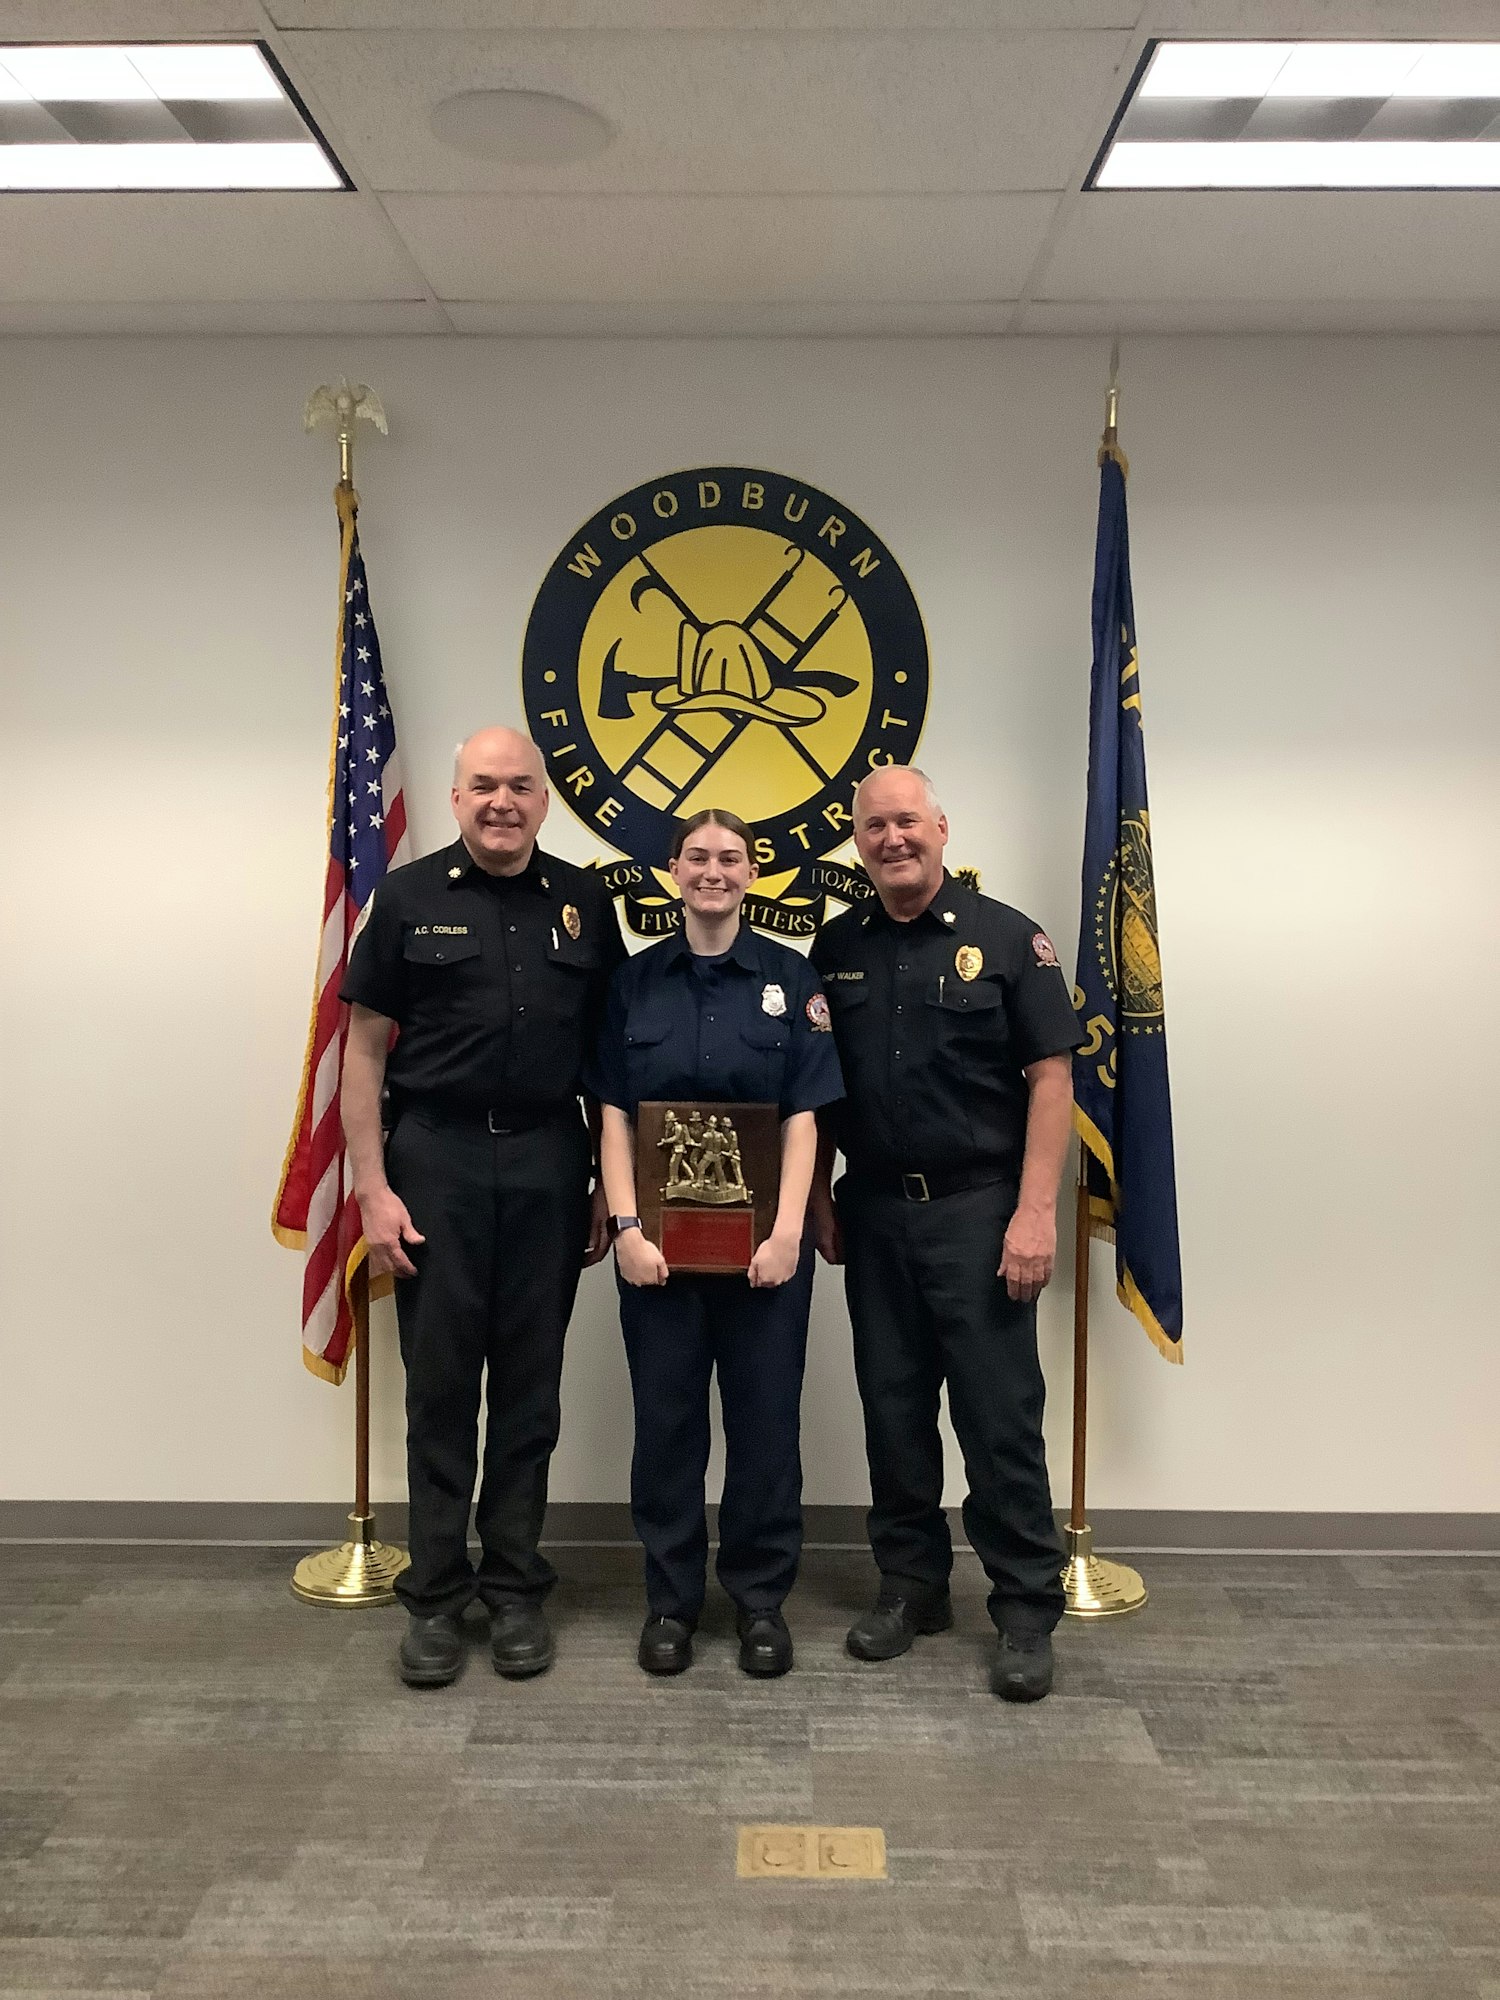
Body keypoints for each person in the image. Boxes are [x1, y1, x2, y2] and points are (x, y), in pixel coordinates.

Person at [340, 726, 625, 1688]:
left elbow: (607, 1064)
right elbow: (366, 1054)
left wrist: (604, 1188)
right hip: (438, 1161)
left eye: (520, 787)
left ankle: (512, 1591)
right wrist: (374, 1191)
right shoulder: (410, 897)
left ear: (547, 799)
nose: (502, 802)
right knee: (441, 1389)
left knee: (531, 1393)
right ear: (457, 799)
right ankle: (433, 1597)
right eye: (483, 787)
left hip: (550, 1157)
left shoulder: (586, 902)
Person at [809, 765, 1079, 1702]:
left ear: (942, 828)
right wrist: (817, 1201)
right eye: (875, 826)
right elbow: (822, 1089)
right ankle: (912, 1587)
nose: (893, 839)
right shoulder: (835, 945)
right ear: (858, 841)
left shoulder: (1009, 938)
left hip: (981, 1212)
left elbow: (1052, 1081)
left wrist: (1036, 1212)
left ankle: (1024, 1609)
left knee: (999, 1420)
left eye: (908, 822)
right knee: (893, 1410)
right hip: (876, 1210)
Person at [590, 809, 842, 1679]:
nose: (713, 871)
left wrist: (787, 1234)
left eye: (729, 858)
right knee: (666, 1427)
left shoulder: (790, 976)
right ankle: (671, 1603)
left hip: (765, 1258)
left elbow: (806, 1118)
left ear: (751, 872)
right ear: (672, 871)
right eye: (697, 856)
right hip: (655, 1257)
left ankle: (761, 1603)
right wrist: (624, 1225)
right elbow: (613, 1115)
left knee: (767, 1427)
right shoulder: (635, 982)